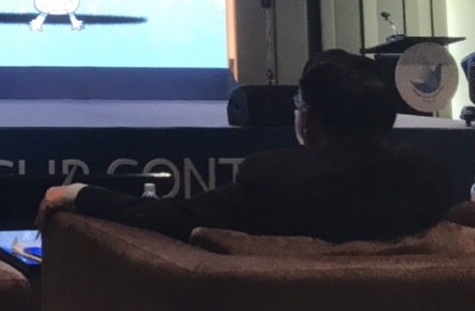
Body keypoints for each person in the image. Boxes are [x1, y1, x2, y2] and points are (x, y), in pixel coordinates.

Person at [37, 49, 453, 243]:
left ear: (306, 119)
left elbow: (169, 217)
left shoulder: (277, 181)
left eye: (298, 104)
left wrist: (79, 193)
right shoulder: (429, 179)